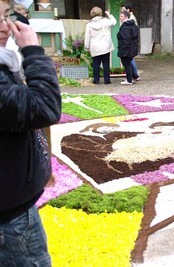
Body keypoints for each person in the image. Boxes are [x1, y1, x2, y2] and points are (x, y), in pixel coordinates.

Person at [0, 0, 62, 265]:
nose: (5, 27)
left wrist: (39, 166)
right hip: (10, 218)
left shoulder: (5, 62)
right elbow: (45, 108)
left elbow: (18, 121)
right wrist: (34, 53)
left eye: (5, 16)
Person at [84, 6, 116, 85]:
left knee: (96, 63)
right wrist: (109, 15)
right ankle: (107, 80)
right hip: (105, 45)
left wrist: (86, 47)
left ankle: (96, 80)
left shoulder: (89, 24)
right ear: (100, 13)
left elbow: (87, 37)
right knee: (106, 63)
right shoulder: (105, 21)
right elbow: (114, 22)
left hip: (95, 46)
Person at [117, 10, 139, 85]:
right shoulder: (132, 25)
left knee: (126, 64)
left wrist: (124, 49)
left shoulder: (125, 26)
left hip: (126, 49)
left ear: (126, 17)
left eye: (121, 16)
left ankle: (129, 80)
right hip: (132, 48)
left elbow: (126, 39)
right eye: (120, 16)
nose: (120, 18)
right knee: (129, 63)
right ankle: (132, 78)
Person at [122, 4, 140, 82]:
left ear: (128, 10)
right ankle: (133, 75)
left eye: (123, 9)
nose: (121, 11)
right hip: (132, 43)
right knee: (130, 60)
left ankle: (134, 75)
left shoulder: (130, 18)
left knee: (130, 61)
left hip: (130, 44)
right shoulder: (131, 17)